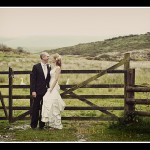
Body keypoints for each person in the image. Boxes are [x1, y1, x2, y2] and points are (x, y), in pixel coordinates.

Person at [41, 53, 66, 130]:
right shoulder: (53, 67)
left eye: (52, 58)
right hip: (50, 85)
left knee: (54, 105)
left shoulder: (58, 68)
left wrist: (51, 88)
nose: (50, 59)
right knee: (49, 103)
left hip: (54, 86)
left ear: (55, 59)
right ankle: (51, 123)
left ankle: (57, 125)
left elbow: (56, 79)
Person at [30, 52, 51, 130]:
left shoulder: (49, 66)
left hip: (46, 91)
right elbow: (33, 80)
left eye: (48, 56)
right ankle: (33, 125)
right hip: (37, 91)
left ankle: (42, 125)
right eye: (47, 56)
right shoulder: (36, 67)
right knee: (35, 107)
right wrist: (33, 91)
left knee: (44, 108)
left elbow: (49, 79)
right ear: (42, 57)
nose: (48, 58)